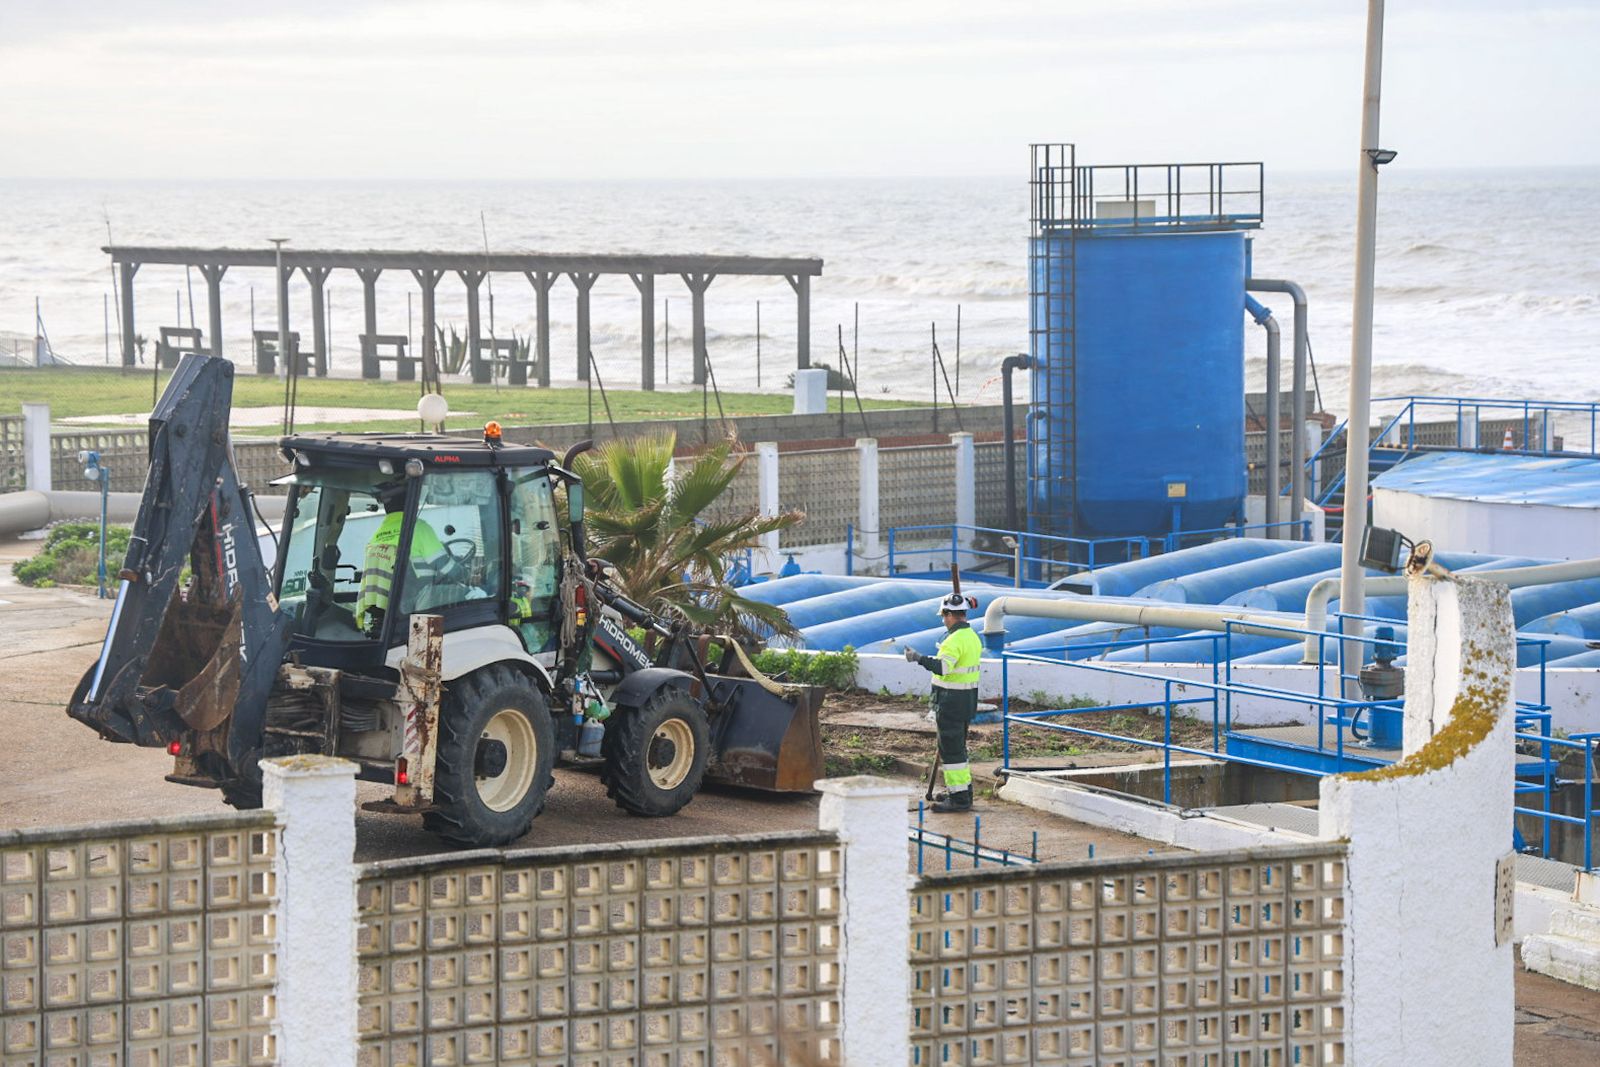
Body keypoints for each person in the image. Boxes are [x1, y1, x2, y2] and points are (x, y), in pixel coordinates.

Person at [905, 592, 982, 812]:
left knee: (951, 752)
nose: (942, 620)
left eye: (943, 615)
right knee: (958, 749)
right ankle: (962, 792)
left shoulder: (954, 640)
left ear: (950, 615)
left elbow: (943, 668)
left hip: (950, 702)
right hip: (965, 701)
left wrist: (918, 658)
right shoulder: (972, 637)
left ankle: (959, 800)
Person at [355, 490, 446, 637]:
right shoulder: (419, 528)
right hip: (411, 607)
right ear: (412, 503)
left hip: (380, 610)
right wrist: (464, 574)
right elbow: (444, 565)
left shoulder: (378, 533)